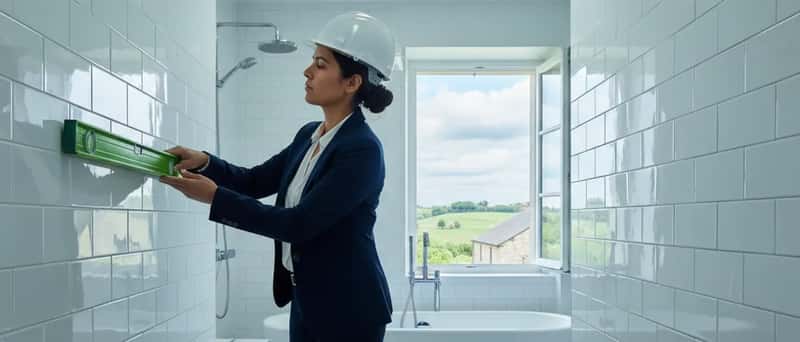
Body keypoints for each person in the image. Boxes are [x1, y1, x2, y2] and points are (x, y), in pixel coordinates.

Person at [159, 11, 397, 342]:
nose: (307, 71)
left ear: (352, 83)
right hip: (307, 301)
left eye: (320, 65)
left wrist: (215, 197)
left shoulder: (362, 150)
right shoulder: (309, 135)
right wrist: (205, 162)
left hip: (350, 310)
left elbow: (298, 224)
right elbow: (255, 181)